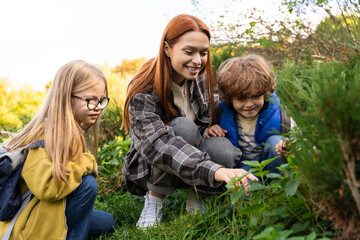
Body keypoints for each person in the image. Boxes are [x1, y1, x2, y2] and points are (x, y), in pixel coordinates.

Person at [122, 14, 258, 229]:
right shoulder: (143, 90)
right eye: (189, 52)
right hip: (152, 164)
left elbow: (207, 113)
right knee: (182, 126)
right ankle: (155, 200)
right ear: (167, 49)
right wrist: (216, 171)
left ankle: (198, 196)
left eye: (203, 53)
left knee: (223, 148)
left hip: (192, 157)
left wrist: (208, 126)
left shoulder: (199, 77)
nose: (198, 61)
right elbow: (159, 144)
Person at [0, 60, 115, 240]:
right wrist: (87, 162)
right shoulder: (44, 136)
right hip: (27, 223)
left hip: (48, 210)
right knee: (87, 185)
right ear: (67, 97)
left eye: (101, 100)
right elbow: (48, 189)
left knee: (107, 222)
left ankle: (67, 227)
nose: (99, 106)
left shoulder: (71, 131)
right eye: (92, 100)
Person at [207, 54, 292, 179]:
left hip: (269, 167)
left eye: (255, 96)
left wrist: (291, 144)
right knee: (243, 192)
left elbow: (300, 139)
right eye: (241, 99)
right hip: (239, 169)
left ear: (265, 93)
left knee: (275, 142)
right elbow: (203, 129)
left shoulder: (279, 114)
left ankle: (278, 188)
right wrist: (210, 130)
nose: (249, 104)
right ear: (230, 97)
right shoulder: (220, 112)